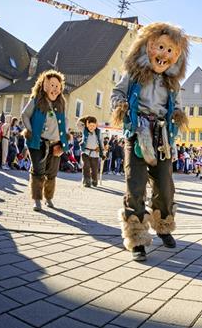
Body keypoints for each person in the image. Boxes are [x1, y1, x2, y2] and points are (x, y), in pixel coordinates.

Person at [112, 22, 190, 261]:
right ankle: (136, 238)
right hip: (137, 132)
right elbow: (117, 93)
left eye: (170, 51)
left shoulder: (172, 83)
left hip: (162, 135)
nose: (164, 55)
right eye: (160, 47)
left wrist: (177, 115)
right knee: (135, 184)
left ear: (176, 56)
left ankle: (163, 225)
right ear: (147, 47)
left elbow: (174, 105)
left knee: (165, 185)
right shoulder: (134, 74)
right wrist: (121, 108)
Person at [21, 70, 68, 211]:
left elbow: (65, 120)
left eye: (57, 86)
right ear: (44, 85)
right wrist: (30, 131)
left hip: (55, 143)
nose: (54, 89)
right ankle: (37, 200)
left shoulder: (61, 103)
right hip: (38, 142)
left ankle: (48, 197)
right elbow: (24, 115)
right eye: (51, 85)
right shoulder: (36, 100)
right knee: (38, 172)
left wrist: (63, 139)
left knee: (52, 173)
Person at [80, 116, 104, 187]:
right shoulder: (84, 130)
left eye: (93, 126)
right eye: (90, 125)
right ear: (87, 124)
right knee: (86, 166)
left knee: (94, 168)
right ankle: (86, 181)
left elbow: (101, 142)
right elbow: (79, 123)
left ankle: (94, 180)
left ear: (96, 125)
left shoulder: (98, 132)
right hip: (85, 152)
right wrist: (87, 118)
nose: (91, 127)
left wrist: (102, 153)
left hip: (95, 153)